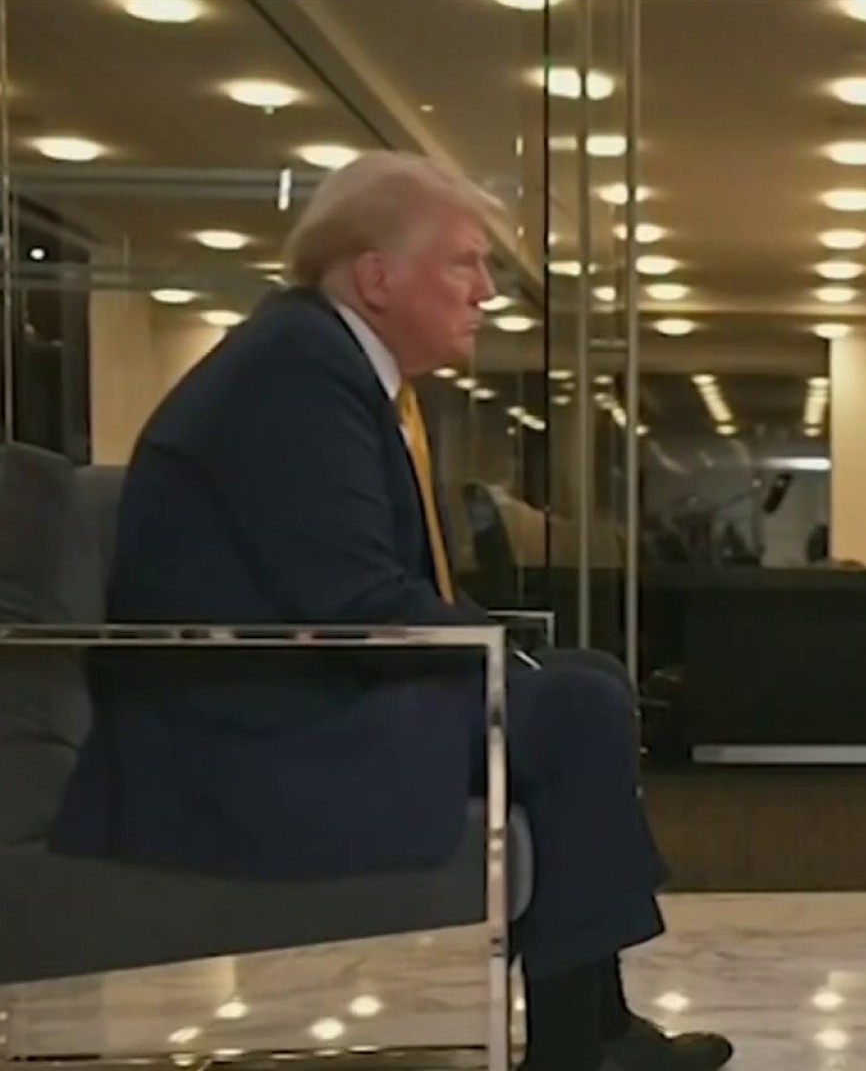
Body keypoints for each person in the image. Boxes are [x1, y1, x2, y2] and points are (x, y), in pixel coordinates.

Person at [48, 152, 732, 1071]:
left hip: (284, 694)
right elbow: (358, 603)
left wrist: (508, 658)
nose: (486, 291)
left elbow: (370, 589)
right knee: (577, 705)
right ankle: (580, 1046)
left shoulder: (323, 360)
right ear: (376, 276)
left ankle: (594, 1032)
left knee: (587, 684)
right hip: (240, 734)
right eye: (465, 263)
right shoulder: (295, 373)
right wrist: (510, 665)